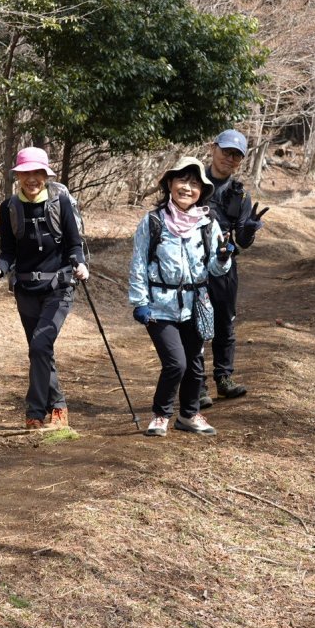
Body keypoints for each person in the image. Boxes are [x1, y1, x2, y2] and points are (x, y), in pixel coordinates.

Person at [0, 147, 88, 429]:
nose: (32, 179)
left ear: (46, 175)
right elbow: (8, 252)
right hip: (26, 288)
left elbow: (74, 244)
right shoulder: (9, 208)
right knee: (40, 350)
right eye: (25, 173)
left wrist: (80, 263)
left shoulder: (60, 202)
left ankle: (36, 412)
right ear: (18, 176)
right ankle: (57, 405)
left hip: (59, 287)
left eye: (37, 172)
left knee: (40, 345)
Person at [129, 156, 232, 437]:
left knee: (195, 364)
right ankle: (161, 415)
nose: (187, 188)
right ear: (170, 184)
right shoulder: (152, 222)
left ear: (202, 191)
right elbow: (138, 263)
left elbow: (215, 269)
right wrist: (140, 302)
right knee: (176, 363)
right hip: (159, 307)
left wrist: (224, 258)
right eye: (182, 180)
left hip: (196, 304)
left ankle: (188, 415)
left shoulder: (208, 223)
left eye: (195, 183)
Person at [201, 129, 267, 404]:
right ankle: (197, 386)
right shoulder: (193, 182)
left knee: (224, 323)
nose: (229, 159)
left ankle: (224, 378)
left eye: (236, 156)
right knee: (193, 325)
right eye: (226, 151)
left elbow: (242, 241)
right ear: (213, 148)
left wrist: (248, 231)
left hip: (225, 267)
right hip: (191, 266)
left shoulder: (239, 195)